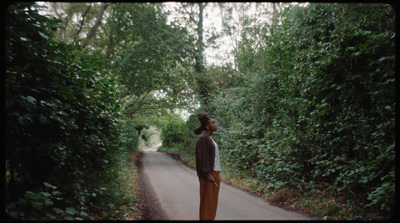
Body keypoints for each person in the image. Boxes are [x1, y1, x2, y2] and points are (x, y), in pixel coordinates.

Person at [194, 113, 220, 220]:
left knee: (212, 203)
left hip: (214, 172)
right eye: (213, 123)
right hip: (209, 175)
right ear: (207, 127)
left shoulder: (210, 139)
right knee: (207, 203)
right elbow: (203, 158)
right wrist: (209, 175)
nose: (216, 124)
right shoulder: (203, 139)